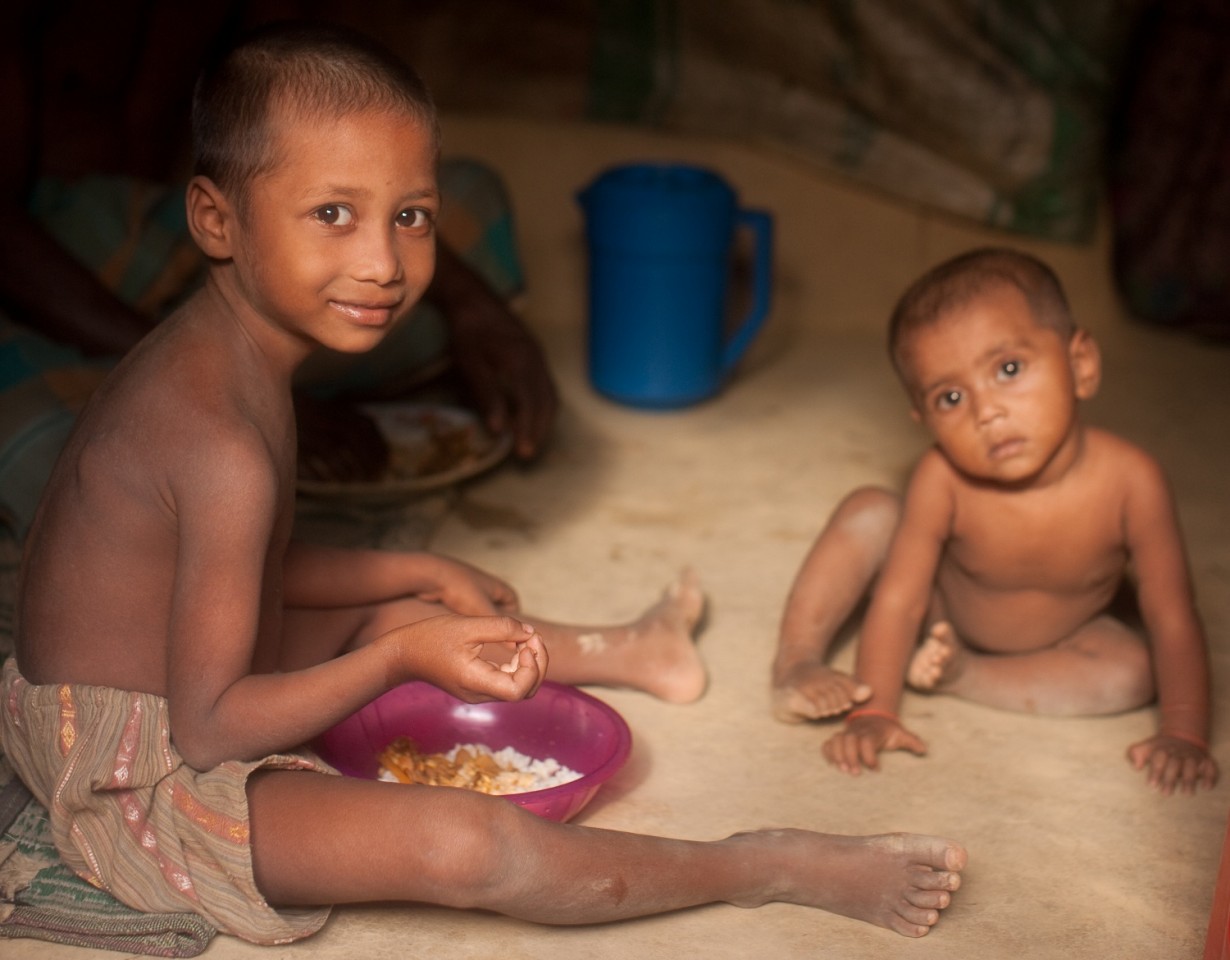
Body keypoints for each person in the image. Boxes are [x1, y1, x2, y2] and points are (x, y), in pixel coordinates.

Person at [0, 23, 966, 946]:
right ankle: (762, 866)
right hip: (142, 767)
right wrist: (403, 655)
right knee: (469, 843)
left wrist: (410, 576)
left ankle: (634, 647)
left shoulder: (226, 358)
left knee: (406, 606)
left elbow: (236, 570)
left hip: (158, 684)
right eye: (332, 214)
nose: (382, 264)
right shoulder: (220, 443)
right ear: (215, 218)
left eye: (410, 216)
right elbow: (211, 732)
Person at [0, 1, 557, 539]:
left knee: (470, 200)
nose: (385, 267)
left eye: (414, 218)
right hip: (41, 265)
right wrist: (245, 399)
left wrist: (474, 304)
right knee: (82, 470)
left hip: (175, 227)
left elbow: (329, 142)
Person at [771, 247, 1217, 796]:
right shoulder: (942, 478)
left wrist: (1185, 732)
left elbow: (1170, 611)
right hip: (941, 610)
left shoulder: (1133, 482)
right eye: (951, 397)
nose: (987, 412)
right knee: (870, 509)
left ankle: (963, 677)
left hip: (1063, 639)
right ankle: (796, 660)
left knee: (1134, 671)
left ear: (1081, 366)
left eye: (1008, 369)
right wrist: (876, 712)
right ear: (924, 419)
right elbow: (900, 600)